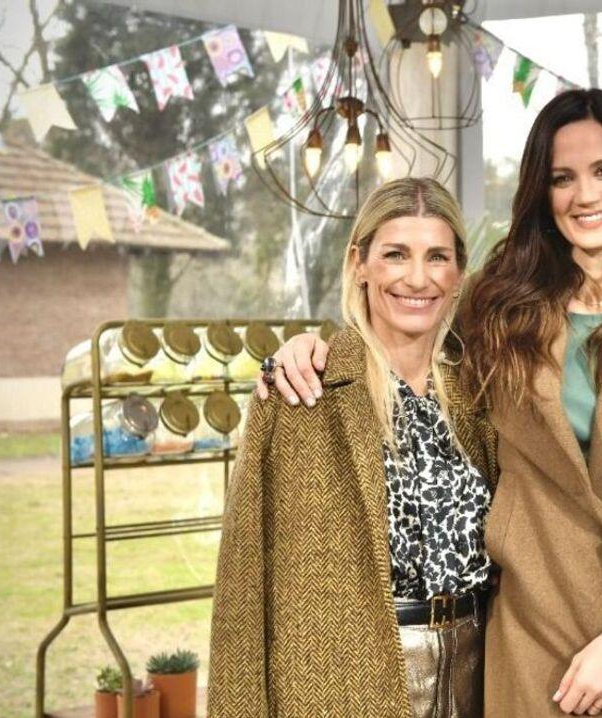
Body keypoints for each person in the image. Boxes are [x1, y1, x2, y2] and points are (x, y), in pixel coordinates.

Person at [262, 88, 602, 717]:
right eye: (562, 178)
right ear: (540, 195)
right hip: (534, 637)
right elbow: (408, 346)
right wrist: (314, 346)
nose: (586, 195)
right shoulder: (496, 309)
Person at [208, 178, 497, 717]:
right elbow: (243, 592)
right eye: (395, 255)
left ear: (458, 273)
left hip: (480, 677)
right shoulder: (299, 391)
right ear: (360, 263)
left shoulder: (482, 391)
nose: (418, 277)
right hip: (345, 684)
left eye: (437, 256)